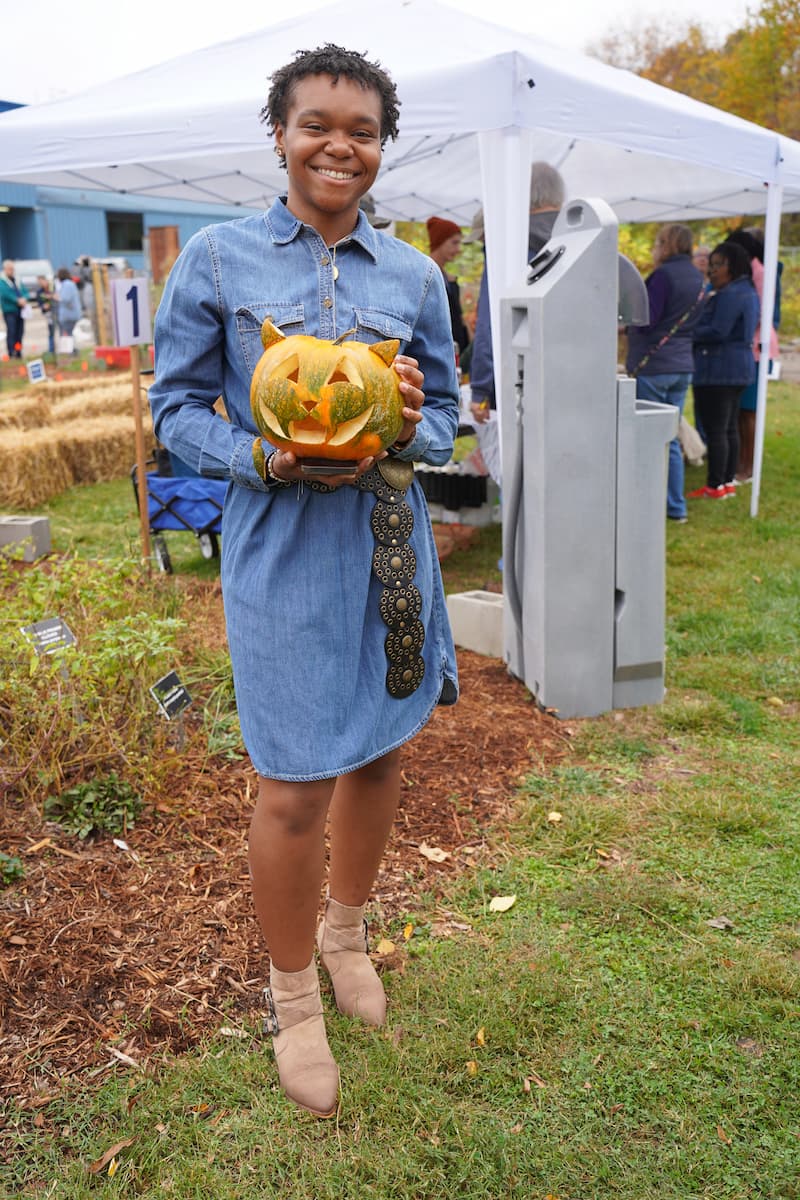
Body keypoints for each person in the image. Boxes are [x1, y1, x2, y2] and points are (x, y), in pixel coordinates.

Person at [148, 44, 459, 1119]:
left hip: (384, 543)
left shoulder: (414, 276)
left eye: (362, 131)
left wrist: (416, 426)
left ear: (382, 148)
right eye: (317, 123)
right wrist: (260, 457)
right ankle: (292, 1003)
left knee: (375, 759)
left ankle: (346, 932)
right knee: (291, 787)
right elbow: (175, 410)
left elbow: (452, 418)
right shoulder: (220, 261)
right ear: (279, 133)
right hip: (278, 542)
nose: (340, 145)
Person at [469, 161, 565, 424]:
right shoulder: (581, 235)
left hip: (521, 378)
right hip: (575, 373)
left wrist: (480, 388)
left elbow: (493, 321)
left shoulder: (510, 241)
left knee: (523, 463)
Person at [625, 224, 706, 523]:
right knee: (670, 438)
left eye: (657, 243)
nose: (654, 249)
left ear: (666, 244)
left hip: (654, 364)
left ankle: (647, 505)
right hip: (682, 364)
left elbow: (647, 319)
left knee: (647, 438)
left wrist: (628, 324)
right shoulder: (698, 277)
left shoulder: (663, 276)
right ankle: (676, 506)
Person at [688, 242, 759, 500]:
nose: (712, 271)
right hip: (737, 369)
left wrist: (688, 332)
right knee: (729, 428)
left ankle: (715, 485)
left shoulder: (732, 294)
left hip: (719, 370)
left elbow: (718, 331)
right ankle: (726, 483)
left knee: (718, 430)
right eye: (711, 265)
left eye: (718, 265)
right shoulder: (746, 291)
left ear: (733, 265)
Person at [724, 228, 780, 483]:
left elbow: (759, 312)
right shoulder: (749, 272)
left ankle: (749, 467)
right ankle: (739, 462)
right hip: (744, 348)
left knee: (749, 412)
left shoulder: (760, 273)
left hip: (757, 348)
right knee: (739, 411)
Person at [426, 215, 470, 357]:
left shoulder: (449, 279)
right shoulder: (425, 276)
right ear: (440, 241)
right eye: (454, 243)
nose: (458, 249)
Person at [0, 259, 29, 358]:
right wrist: (17, 300)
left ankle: (18, 352)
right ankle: (11, 352)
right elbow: (5, 294)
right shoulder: (2, 281)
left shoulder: (17, 279)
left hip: (20, 310)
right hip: (9, 310)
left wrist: (25, 298)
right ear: (5, 269)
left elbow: (25, 291)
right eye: (9, 269)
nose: (11, 271)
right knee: (11, 331)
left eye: (12, 269)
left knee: (20, 332)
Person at [55, 267, 82, 352]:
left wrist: (56, 297)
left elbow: (65, 299)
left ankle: (69, 352)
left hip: (68, 315)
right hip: (71, 314)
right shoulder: (70, 284)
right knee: (69, 334)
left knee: (67, 335)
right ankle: (71, 351)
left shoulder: (67, 284)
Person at [35, 274, 56, 355]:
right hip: (48, 314)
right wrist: (43, 306)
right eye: (39, 282)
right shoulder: (39, 292)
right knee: (51, 331)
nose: (40, 284)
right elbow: (39, 303)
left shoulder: (52, 288)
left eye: (41, 281)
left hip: (55, 312)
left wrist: (50, 302)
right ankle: (51, 349)